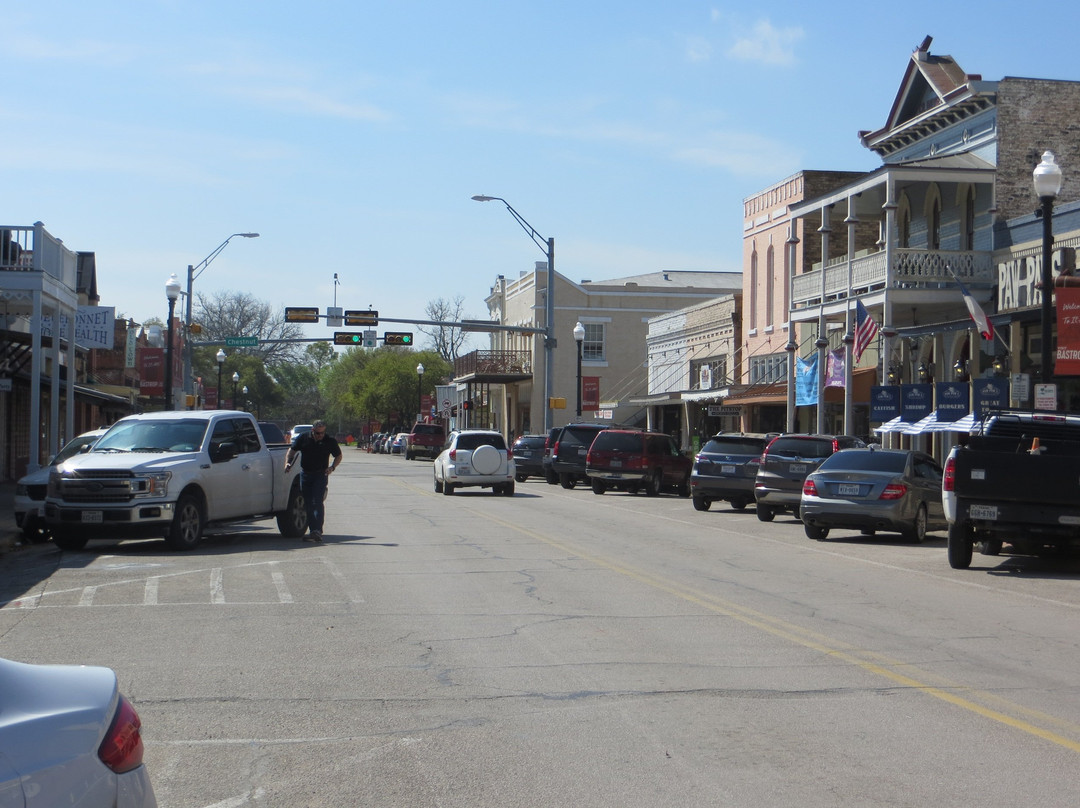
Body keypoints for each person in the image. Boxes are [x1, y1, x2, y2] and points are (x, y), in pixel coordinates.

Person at [284, 419, 341, 542]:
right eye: (317, 433)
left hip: (320, 475)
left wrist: (332, 467)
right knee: (308, 503)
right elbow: (292, 450)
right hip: (305, 474)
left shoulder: (329, 441)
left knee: (317, 502)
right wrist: (288, 463)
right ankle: (313, 530)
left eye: (322, 433)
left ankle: (317, 531)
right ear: (312, 430)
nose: (320, 436)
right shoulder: (303, 438)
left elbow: (338, 455)